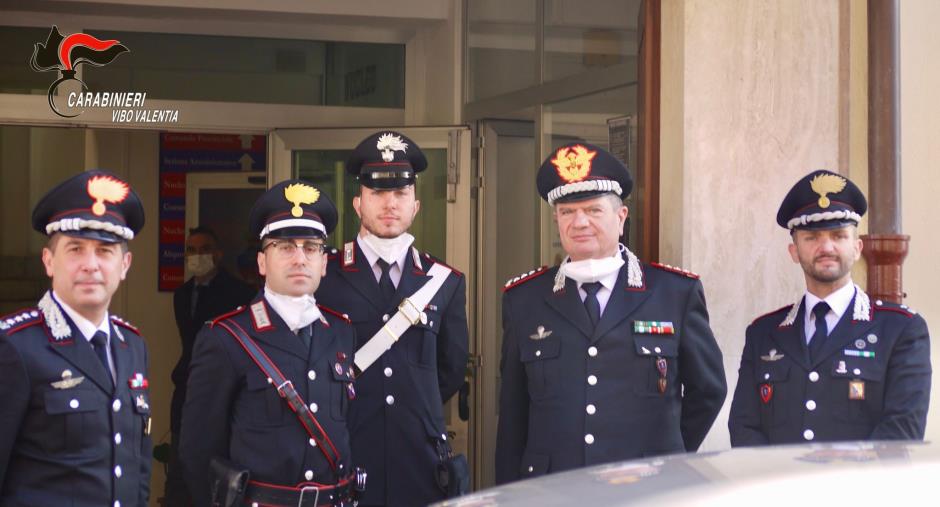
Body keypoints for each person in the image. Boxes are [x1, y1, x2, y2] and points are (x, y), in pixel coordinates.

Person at [495, 143, 727, 484]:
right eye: (567, 212)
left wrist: (666, 455)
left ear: (621, 218)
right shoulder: (525, 299)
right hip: (551, 488)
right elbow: (513, 413)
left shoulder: (673, 293)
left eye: (593, 210)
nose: (580, 222)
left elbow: (708, 390)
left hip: (646, 488)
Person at [179, 180, 363, 507]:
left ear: (323, 262)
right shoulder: (225, 337)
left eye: (310, 247)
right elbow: (198, 453)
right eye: (285, 247)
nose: (299, 258)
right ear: (262, 262)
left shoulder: (340, 331)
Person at [316, 131, 469, 506]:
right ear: (358, 203)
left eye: (401, 194)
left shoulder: (444, 281)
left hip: (419, 462)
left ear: (416, 206)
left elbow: (449, 370)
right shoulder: (324, 276)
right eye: (378, 194)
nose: (390, 204)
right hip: (347, 455)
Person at [729, 170, 931, 445]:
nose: (826, 247)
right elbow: (744, 427)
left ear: (857, 247)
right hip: (778, 487)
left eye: (838, 236)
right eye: (811, 238)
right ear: (794, 251)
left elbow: (902, 430)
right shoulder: (763, 333)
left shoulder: (901, 330)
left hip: (860, 487)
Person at [0, 170, 151, 506]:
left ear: (125, 264)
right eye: (75, 249)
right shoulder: (14, 346)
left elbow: (136, 464)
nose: (90, 265)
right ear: (49, 261)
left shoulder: (132, 345)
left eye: (104, 250)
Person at [164, 226, 254, 506]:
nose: (197, 256)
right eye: (191, 250)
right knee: (183, 458)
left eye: (204, 249)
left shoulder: (240, 292)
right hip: (187, 385)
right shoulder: (182, 294)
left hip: (225, 390)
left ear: (218, 254)